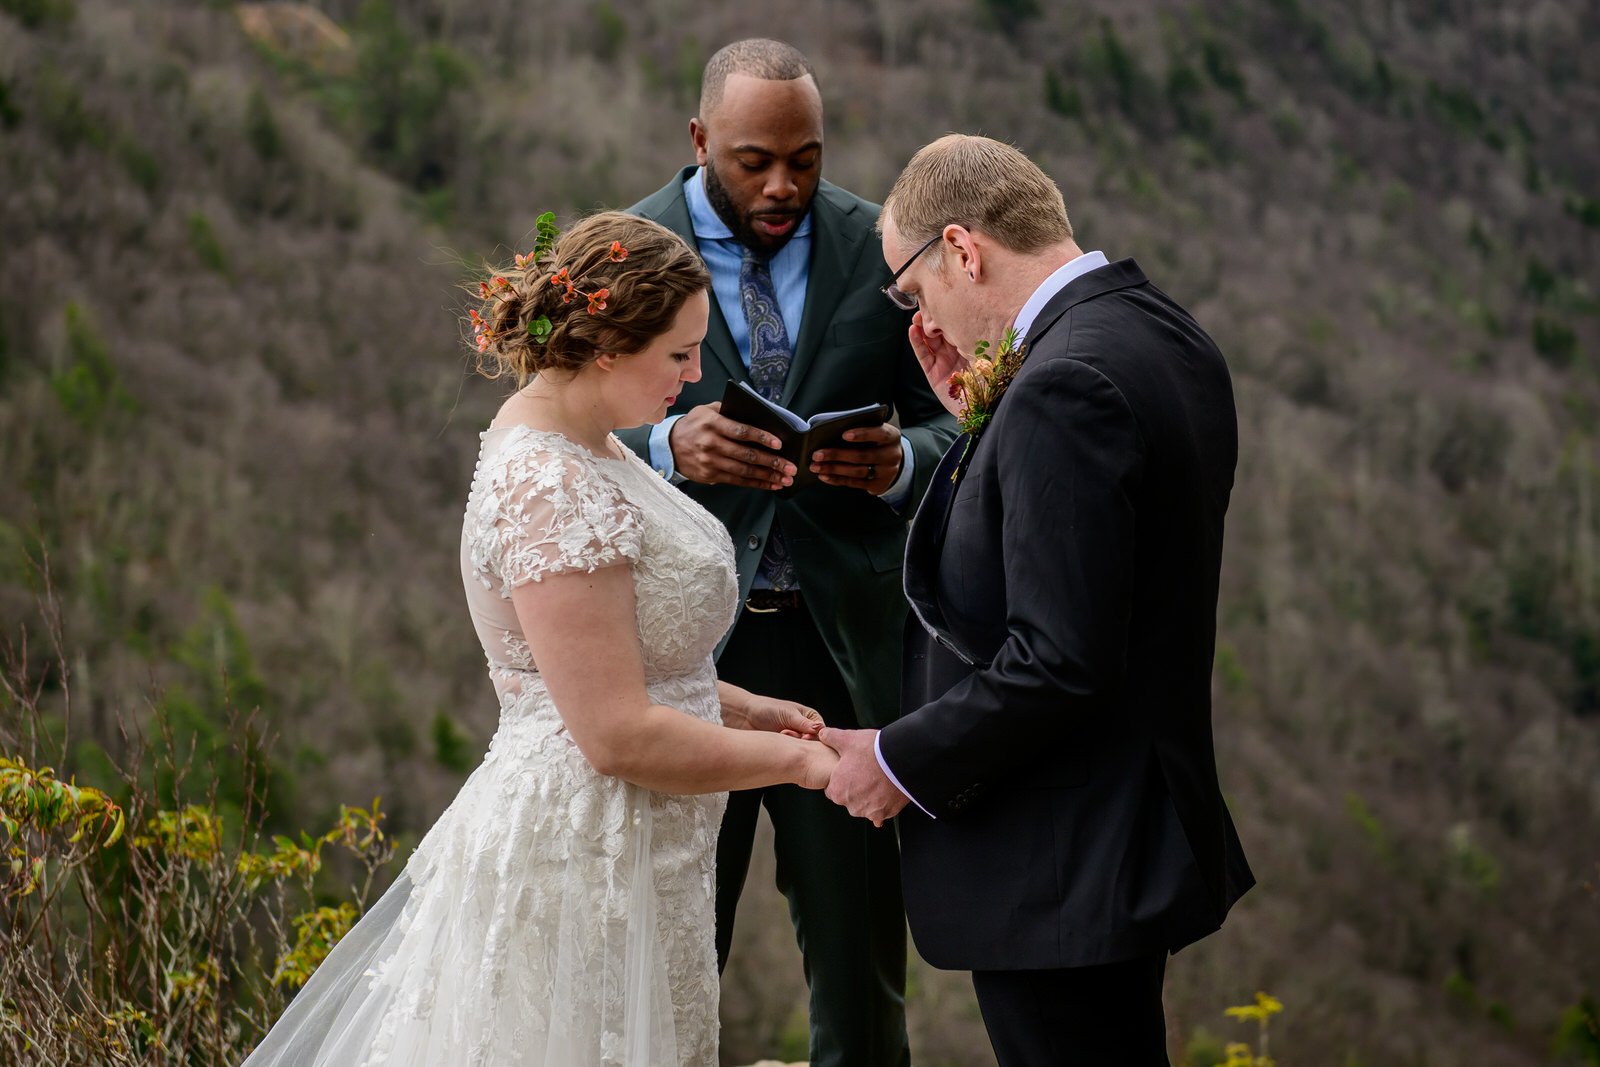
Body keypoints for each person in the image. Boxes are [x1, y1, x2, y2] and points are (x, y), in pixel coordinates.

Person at [241, 211, 839, 1067]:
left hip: (647, 845)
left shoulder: (589, 440)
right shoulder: (546, 481)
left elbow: (618, 651)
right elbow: (612, 731)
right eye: (677, 353)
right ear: (605, 344)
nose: (695, 374)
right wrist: (802, 766)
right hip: (582, 859)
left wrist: (742, 707)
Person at [820, 135, 1256, 1066]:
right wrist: (981, 409)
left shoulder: (1062, 385)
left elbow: (1060, 657)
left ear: (963, 251)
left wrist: (898, 759)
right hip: (1125, 832)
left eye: (911, 287)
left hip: (1061, 856)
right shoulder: (1162, 333)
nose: (918, 313)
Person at [618, 38, 958, 1067]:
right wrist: (666, 445)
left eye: (804, 159)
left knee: (860, 965)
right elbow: (550, 431)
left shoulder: (878, 248)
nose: (782, 185)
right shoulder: (628, 248)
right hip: (683, 665)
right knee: (673, 945)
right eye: (753, 160)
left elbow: (963, 426)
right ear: (698, 140)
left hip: (843, 659)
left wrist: (900, 459)